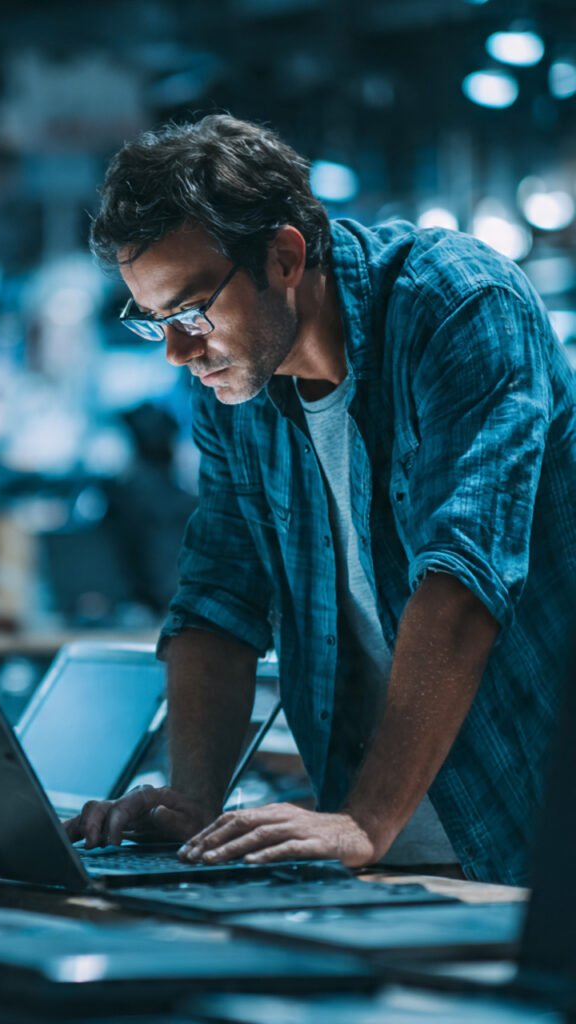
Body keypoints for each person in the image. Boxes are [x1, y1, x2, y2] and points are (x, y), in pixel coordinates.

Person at [64, 114, 576, 885]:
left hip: (531, 833)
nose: (177, 349)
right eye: (156, 321)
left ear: (284, 255)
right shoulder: (236, 387)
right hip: (378, 863)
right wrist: (193, 800)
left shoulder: (458, 304)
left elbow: (463, 577)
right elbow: (216, 600)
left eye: (191, 309)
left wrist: (364, 819)